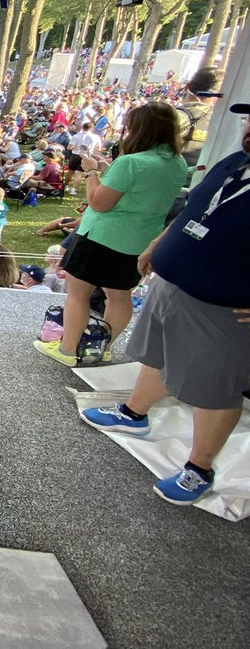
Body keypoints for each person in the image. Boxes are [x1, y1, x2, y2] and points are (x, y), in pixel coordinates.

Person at [79, 104, 250, 505]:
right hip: (174, 280)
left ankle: (198, 468)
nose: (248, 126)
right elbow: (195, 210)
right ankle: (134, 413)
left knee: (214, 387)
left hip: (223, 303)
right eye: (248, 118)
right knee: (156, 354)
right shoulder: (234, 163)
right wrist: (160, 244)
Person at [37, 102, 188, 367]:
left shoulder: (131, 162)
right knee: (119, 295)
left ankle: (67, 349)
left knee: (78, 293)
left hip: (102, 237)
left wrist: (92, 171)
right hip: (138, 241)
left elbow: (99, 203)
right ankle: (103, 347)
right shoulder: (177, 163)